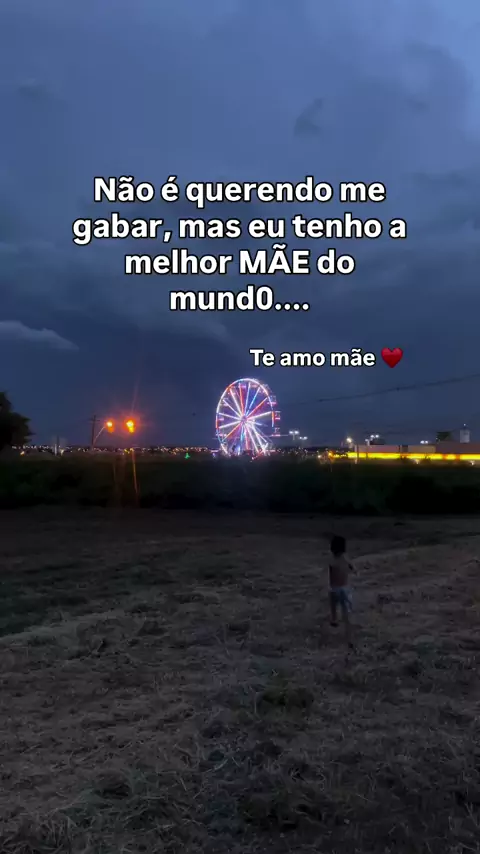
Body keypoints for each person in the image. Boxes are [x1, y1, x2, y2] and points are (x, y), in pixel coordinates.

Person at [328, 535, 354, 648]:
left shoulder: (332, 560)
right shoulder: (345, 558)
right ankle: (349, 638)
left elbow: (331, 572)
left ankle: (334, 618)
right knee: (346, 614)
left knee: (333, 602)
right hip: (345, 588)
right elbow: (352, 567)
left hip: (335, 588)